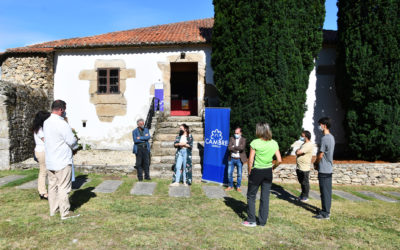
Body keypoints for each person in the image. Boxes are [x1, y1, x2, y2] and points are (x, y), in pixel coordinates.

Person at [44, 100, 79, 220]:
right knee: (64, 186)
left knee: (53, 186)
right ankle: (65, 212)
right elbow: (71, 141)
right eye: (65, 110)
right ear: (61, 110)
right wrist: (76, 146)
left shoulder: (46, 122)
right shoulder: (62, 124)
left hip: (50, 160)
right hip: (62, 160)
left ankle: (54, 210)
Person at [242, 122, 282, 227]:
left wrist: (249, 171)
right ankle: (262, 221)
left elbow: (250, 160)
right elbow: (279, 160)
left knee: (251, 196)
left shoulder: (255, 142)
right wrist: (273, 167)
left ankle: (251, 220)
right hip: (268, 172)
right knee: (265, 197)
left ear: (259, 130)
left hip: (257, 172)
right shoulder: (274, 143)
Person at [313, 117, 335, 220]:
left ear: (324, 125)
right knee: (327, 191)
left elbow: (320, 155)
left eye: (320, 124)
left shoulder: (325, 138)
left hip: (324, 169)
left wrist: (316, 163)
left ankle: (325, 213)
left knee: (324, 192)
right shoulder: (331, 137)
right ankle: (325, 210)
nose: (319, 126)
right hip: (329, 169)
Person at [33, 111, 51, 200]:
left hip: (41, 151)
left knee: (44, 171)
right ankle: (42, 192)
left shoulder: (39, 128)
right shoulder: (40, 129)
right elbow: (46, 140)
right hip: (42, 151)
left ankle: (43, 191)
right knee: (43, 172)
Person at [226, 127, 247, 192]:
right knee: (229, 173)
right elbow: (229, 148)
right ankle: (230, 186)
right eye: (235, 133)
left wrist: (233, 147)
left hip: (239, 159)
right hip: (231, 158)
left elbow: (242, 148)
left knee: (239, 174)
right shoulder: (231, 138)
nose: (236, 134)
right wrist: (236, 148)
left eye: (237, 133)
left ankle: (238, 186)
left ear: (240, 133)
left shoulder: (243, 139)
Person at [295, 130, 314, 202]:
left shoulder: (309, 144)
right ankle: (302, 195)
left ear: (306, 137)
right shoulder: (303, 144)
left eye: (302, 136)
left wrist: (298, 151)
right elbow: (297, 152)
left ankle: (305, 196)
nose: (301, 137)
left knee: (305, 183)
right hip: (299, 167)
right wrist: (297, 151)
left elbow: (299, 152)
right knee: (301, 182)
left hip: (304, 168)